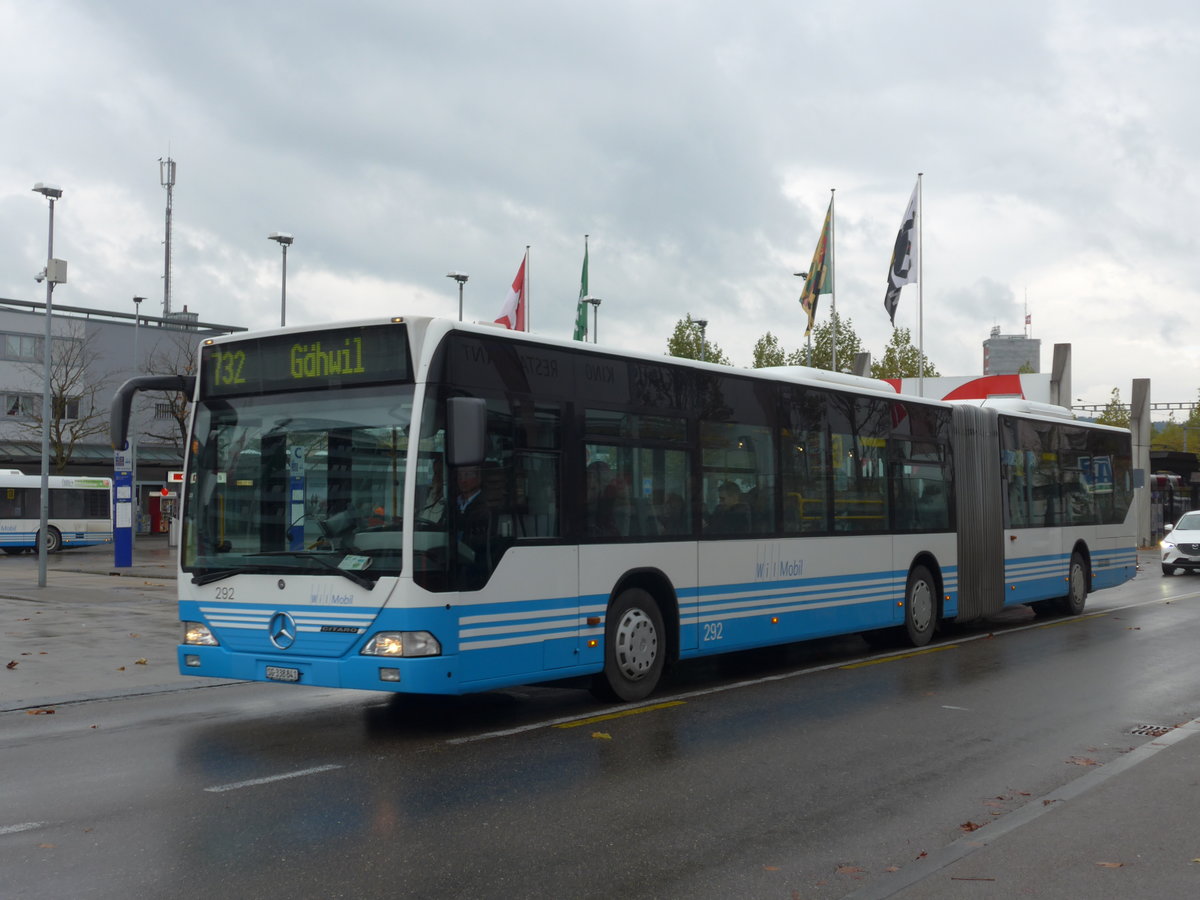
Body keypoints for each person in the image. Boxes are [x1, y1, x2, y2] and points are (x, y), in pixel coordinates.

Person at [416, 458, 446, 525]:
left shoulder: (448, 497)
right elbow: (424, 516)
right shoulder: (433, 492)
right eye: (435, 473)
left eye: (439, 473)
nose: (435, 477)